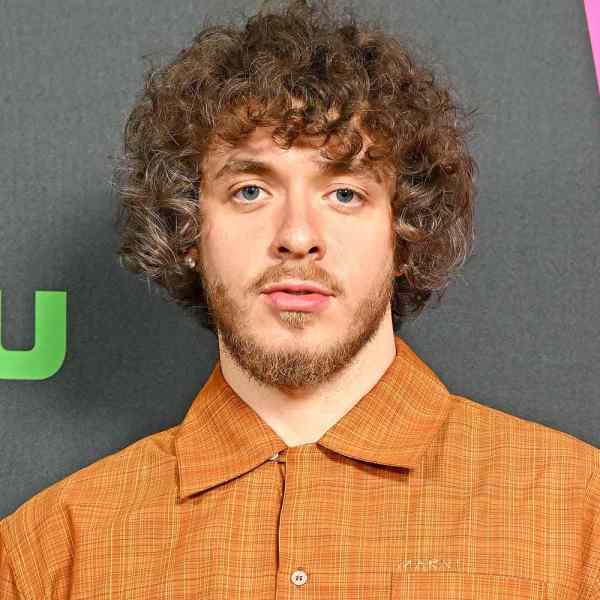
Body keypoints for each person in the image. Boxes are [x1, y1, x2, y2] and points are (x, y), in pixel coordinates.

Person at [1, 0, 598, 597]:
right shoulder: (52, 552)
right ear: (188, 233)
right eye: (250, 190)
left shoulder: (579, 519)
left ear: (406, 233)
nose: (297, 236)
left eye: (344, 194)